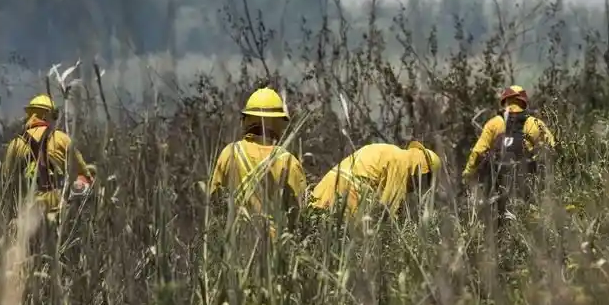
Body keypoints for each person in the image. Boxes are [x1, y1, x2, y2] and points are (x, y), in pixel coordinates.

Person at [209, 87, 307, 230]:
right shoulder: (288, 161)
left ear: (246, 120)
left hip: (235, 245)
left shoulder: (229, 153)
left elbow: (215, 203)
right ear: (279, 123)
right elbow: (302, 214)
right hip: (276, 248)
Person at [462, 85, 555, 221]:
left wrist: (467, 174)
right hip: (525, 182)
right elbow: (552, 148)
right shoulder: (535, 123)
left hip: (497, 184)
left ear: (504, 101)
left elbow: (477, 152)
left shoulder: (494, 123)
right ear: (524, 102)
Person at [1, 93, 95, 220]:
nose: (55, 120)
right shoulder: (61, 139)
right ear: (46, 115)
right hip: (58, 213)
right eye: (54, 115)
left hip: (27, 216)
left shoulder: (15, 144)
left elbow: (6, 184)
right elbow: (85, 175)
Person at [309, 141, 442, 222]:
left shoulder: (393, 153)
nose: (420, 185)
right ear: (423, 170)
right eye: (425, 180)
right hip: (347, 193)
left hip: (328, 186)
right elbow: (389, 210)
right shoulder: (403, 163)